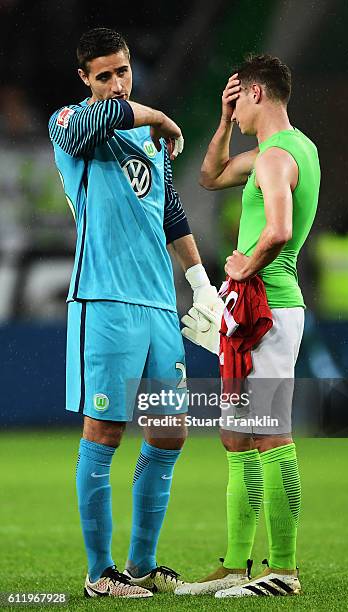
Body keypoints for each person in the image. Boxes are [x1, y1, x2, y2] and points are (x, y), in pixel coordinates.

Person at [48, 27, 223, 599]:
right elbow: (104, 121)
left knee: (169, 433)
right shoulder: (69, 123)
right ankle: (100, 573)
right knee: (104, 429)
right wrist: (161, 118)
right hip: (104, 300)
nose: (117, 83)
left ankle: (142, 565)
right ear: (84, 79)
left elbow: (169, 212)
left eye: (123, 71)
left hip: (157, 304)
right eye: (105, 75)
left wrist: (200, 285)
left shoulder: (145, 139)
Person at [177, 54, 320, 597]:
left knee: (271, 434)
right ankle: (237, 565)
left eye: (235, 103)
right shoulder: (284, 151)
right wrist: (218, 121)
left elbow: (279, 230)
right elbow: (210, 175)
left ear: (256, 93)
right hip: (251, 312)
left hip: (269, 309)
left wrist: (245, 263)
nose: (233, 113)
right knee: (238, 435)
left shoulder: (276, 160)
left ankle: (282, 570)